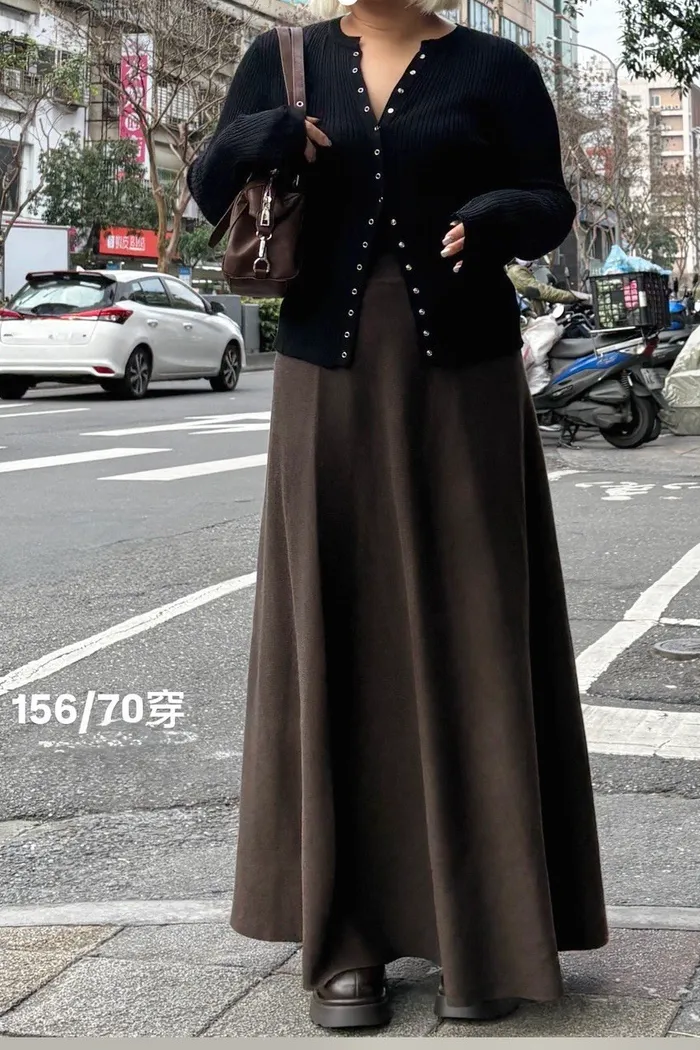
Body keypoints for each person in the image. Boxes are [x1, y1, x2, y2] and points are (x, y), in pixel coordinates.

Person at [188, 0, 608, 1030]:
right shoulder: (279, 57)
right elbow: (207, 188)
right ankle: (348, 946)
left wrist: (501, 213)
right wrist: (265, 133)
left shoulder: (497, 68)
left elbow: (551, 203)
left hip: (464, 381)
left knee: (476, 628)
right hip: (324, 380)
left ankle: (485, 939)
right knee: (339, 631)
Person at [507, 258, 590, 317]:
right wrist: (573, 297)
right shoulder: (515, 272)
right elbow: (543, 291)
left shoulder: (523, 270)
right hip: (531, 323)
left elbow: (543, 288)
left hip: (537, 319)